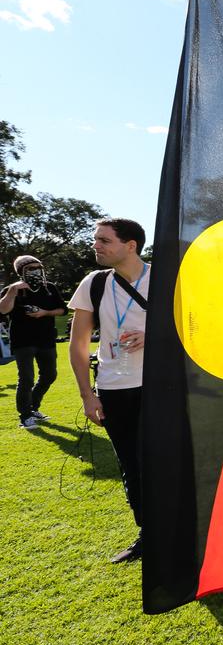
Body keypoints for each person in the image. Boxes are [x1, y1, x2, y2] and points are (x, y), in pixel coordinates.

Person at [68, 218, 151, 564]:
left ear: (130, 245)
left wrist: (155, 337)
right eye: (95, 240)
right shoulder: (94, 283)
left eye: (104, 240)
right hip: (114, 389)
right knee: (131, 466)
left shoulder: (167, 277)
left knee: (167, 461)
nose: (96, 246)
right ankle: (148, 535)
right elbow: (78, 343)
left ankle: (182, 533)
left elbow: (197, 326)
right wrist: (89, 395)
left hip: (160, 387)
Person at [0, 255, 68, 429]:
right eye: (30, 268)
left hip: (46, 338)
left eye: (38, 267)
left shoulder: (49, 288)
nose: (36, 270)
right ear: (21, 271)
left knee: (50, 375)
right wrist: (12, 291)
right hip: (23, 340)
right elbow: (3, 310)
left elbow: (62, 310)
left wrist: (44, 312)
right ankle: (25, 416)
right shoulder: (13, 289)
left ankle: (33, 407)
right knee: (26, 378)